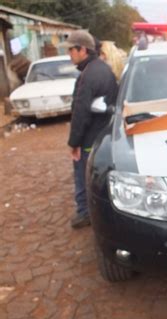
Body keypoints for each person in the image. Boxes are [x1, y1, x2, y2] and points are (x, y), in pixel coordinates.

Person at [59, 30, 118, 229]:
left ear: (82, 50)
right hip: (103, 134)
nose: (70, 55)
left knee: (82, 176)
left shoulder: (88, 75)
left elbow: (80, 112)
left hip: (88, 138)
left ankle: (84, 213)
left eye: (71, 51)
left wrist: (73, 142)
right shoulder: (103, 69)